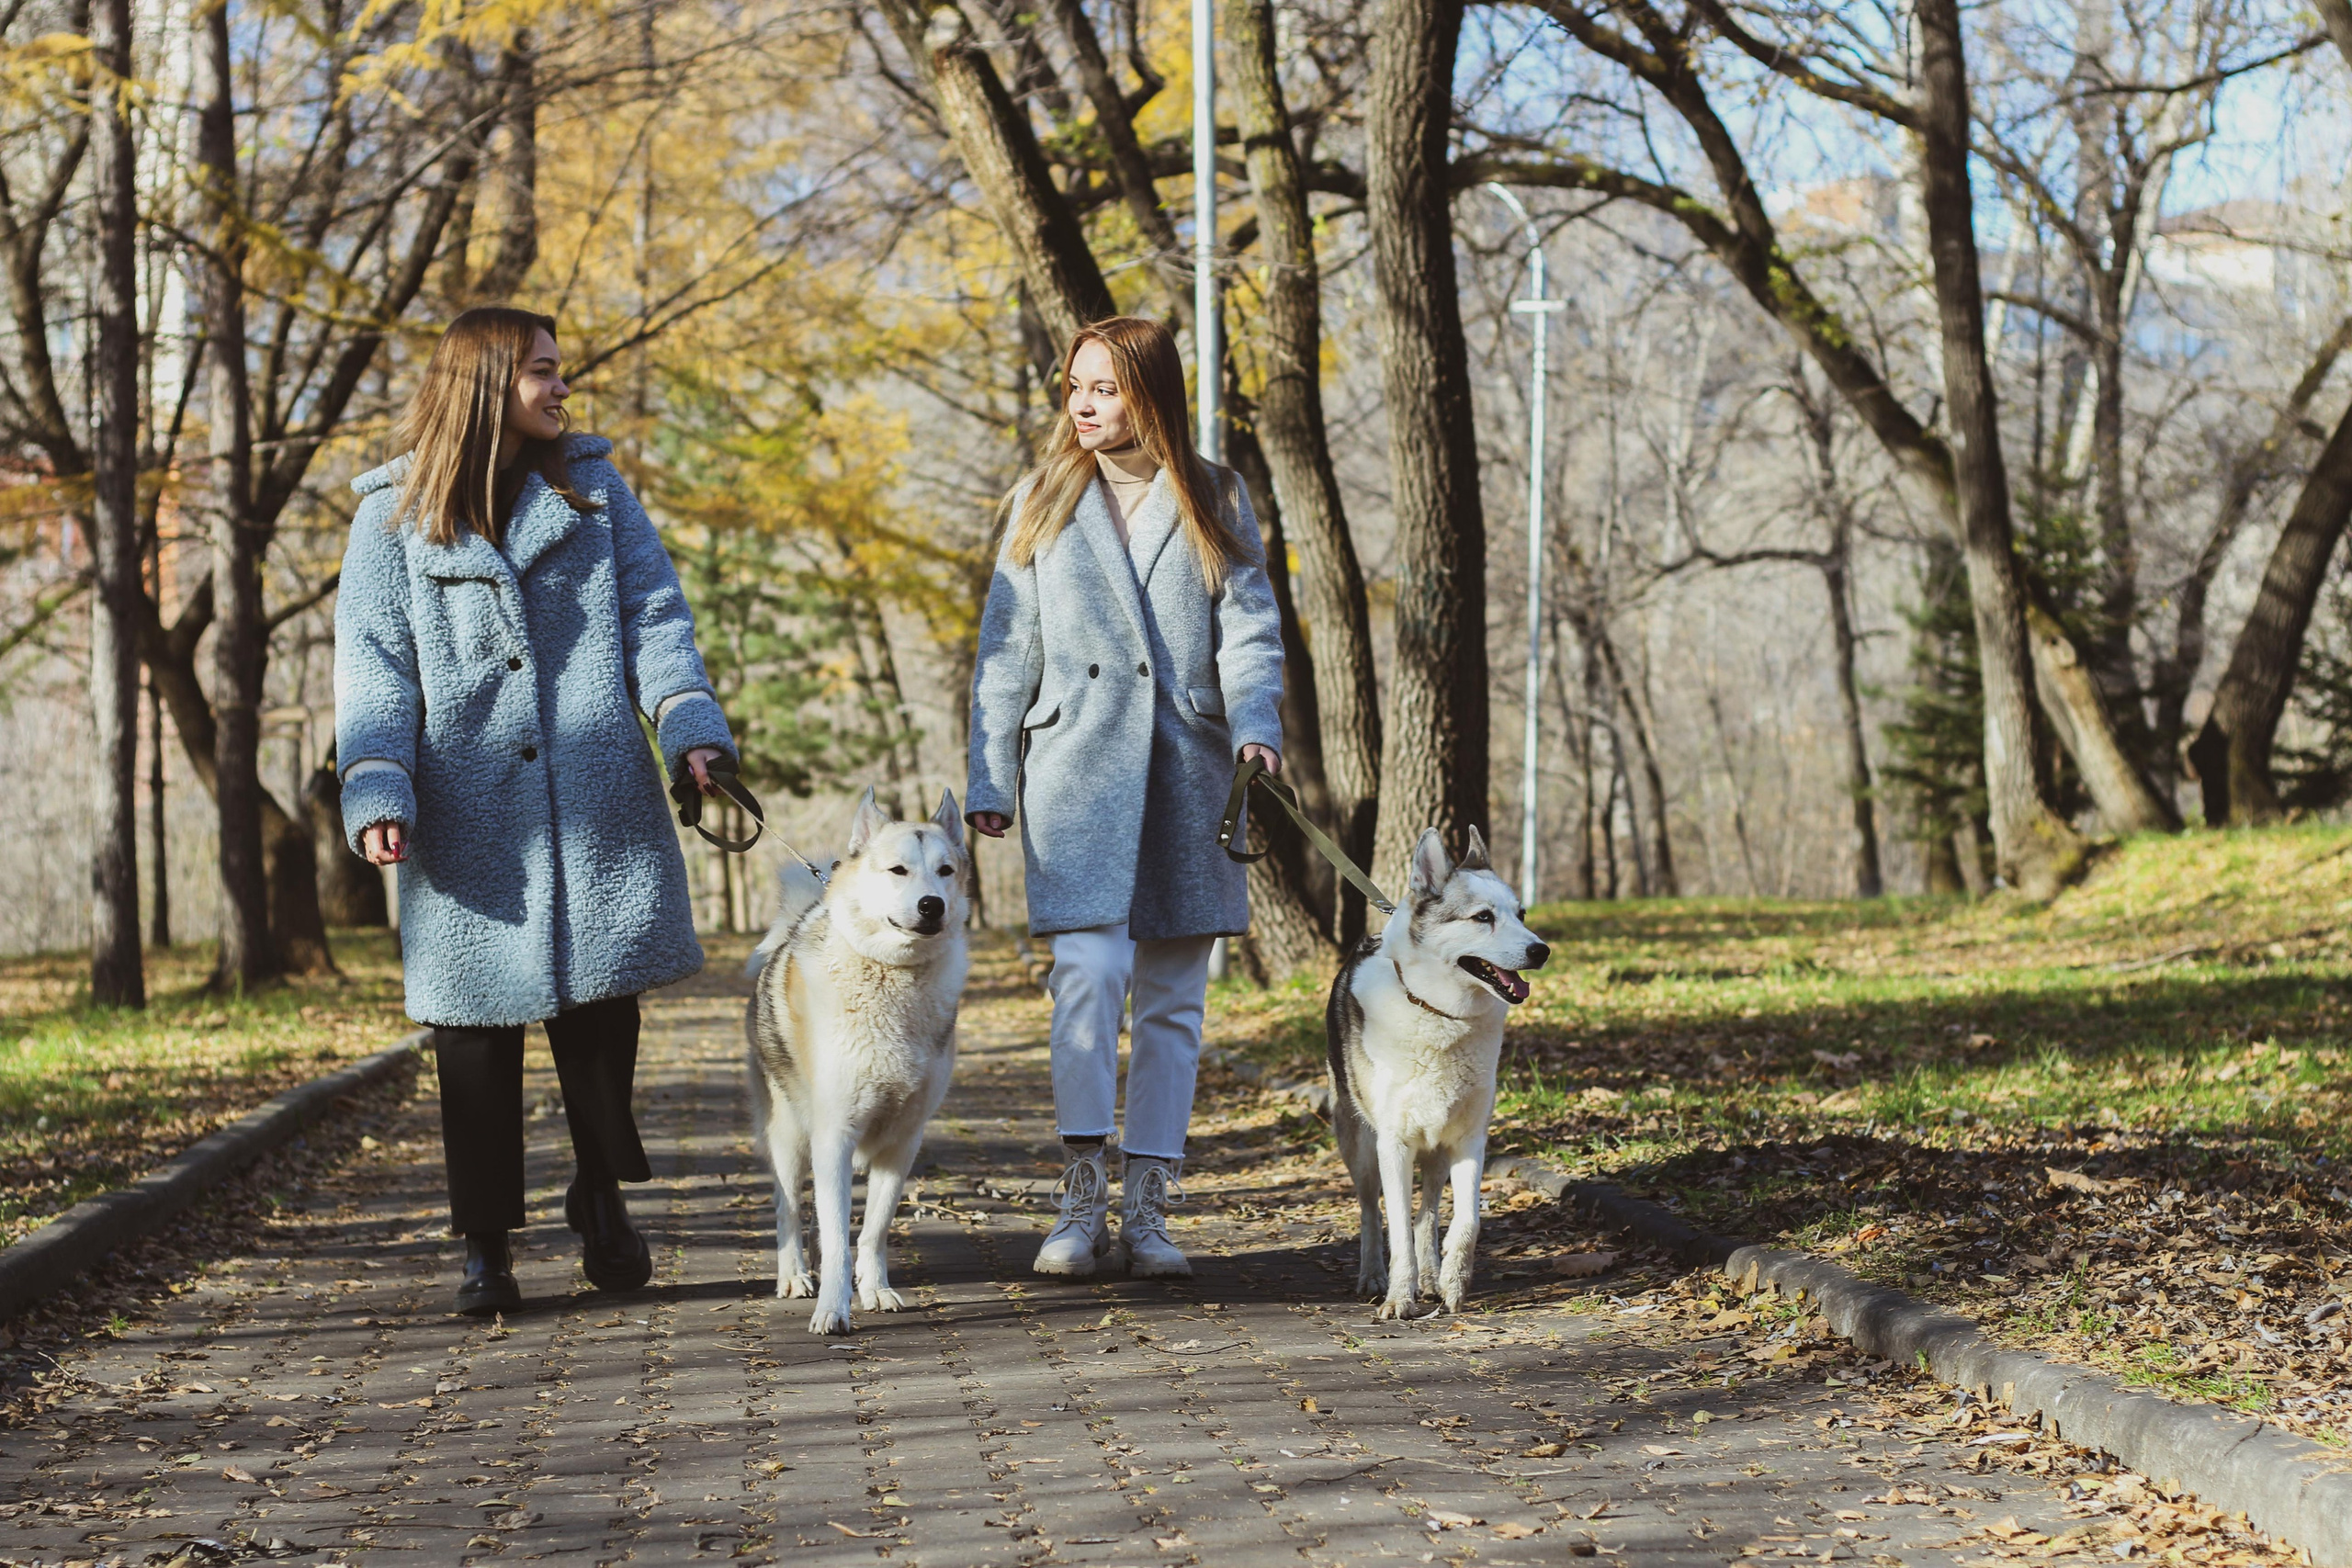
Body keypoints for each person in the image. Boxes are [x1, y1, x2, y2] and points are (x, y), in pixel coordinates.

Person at [334, 307, 738, 1315]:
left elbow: (654, 617)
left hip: (593, 791)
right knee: (471, 1035)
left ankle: (601, 1195)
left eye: (562, 371)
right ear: (483, 386)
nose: (562, 388)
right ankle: (485, 1249)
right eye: (543, 373)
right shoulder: (390, 517)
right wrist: (377, 785)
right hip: (466, 813)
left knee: (600, 1015)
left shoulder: (594, 491)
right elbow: (373, 670)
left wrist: (691, 728)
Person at [966, 316, 1285, 1280]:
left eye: (1103, 388)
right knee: (1088, 978)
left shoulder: (1215, 490)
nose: (1084, 405)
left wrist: (1256, 725)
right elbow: (1004, 651)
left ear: (1149, 391)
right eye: (1075, 388)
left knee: (1174, 1003)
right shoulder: (1043, 495)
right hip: (1076, 773)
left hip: (1188, 768)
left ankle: (1146, 1210)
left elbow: (1251, 628)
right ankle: (1078, 1197)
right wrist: (990, 772)